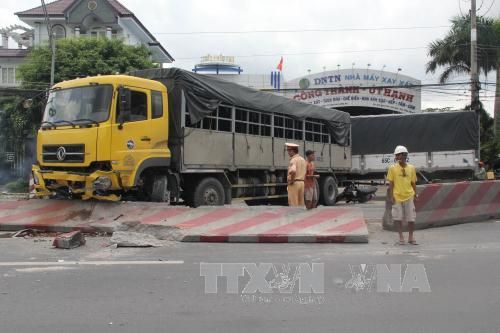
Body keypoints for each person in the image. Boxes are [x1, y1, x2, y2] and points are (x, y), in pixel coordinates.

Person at [387, 145, 418, 245]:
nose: (398, 157)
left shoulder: (412, 168)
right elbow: (391, 183)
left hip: (409, 196)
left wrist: (416, 194)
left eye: (400, 155)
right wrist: (391, 196)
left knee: (411, 218)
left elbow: (413, 183)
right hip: (397, 197)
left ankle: (411, 237)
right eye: (396, 156)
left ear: (405, 156)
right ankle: (401, 237)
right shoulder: (392, 168)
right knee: (397, 217)